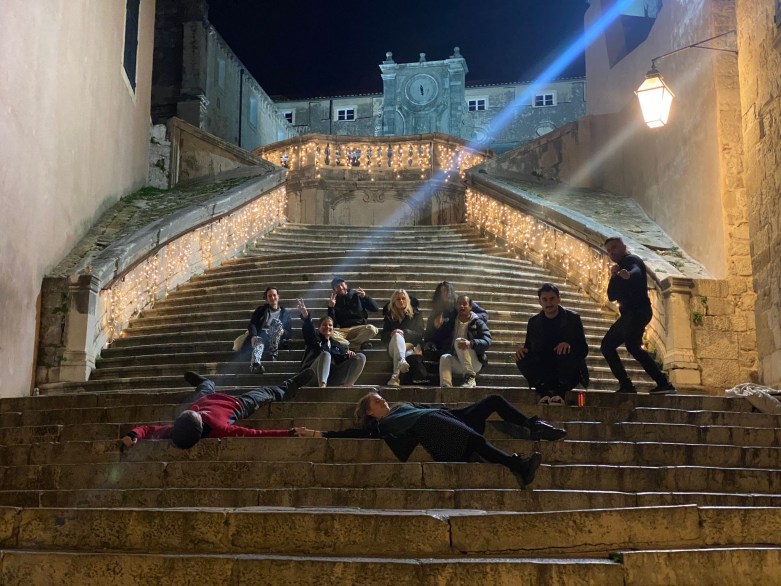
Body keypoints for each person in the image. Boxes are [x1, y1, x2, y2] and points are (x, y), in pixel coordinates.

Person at [298, 391, 566, 487]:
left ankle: (533, 426)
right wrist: (319, 434)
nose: (382, 400)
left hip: (445, 416)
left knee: (493, 400)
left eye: (380, 397)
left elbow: (429, 408)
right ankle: (518, 466)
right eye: (376, 401)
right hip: (433, 426)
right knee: (476, 442)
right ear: (369, 412)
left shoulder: (402, 406)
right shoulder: (382, 425)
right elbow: (354, 434)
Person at [120, 369, 314, 450]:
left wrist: (133, 434)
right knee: (265, 393)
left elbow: (149, 429)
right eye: (194, 414)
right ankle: (290, 385)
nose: (194, 411)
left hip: (206, 398)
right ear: (198, 423)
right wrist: (289, 432)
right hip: (237, 404)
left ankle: (205, 382)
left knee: (205, 388)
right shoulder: (220, 429)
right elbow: (255, 433)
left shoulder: (178, 428)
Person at [600, 236, 676, 394]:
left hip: (636, 313)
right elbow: (611, 296)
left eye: (614, 247)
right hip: (633, 314)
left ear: (624, 247)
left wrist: (628, 274)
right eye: (608, 250)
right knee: (631, 346)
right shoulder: (618, 269)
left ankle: (628, 385)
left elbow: (636, 270)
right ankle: (661, 383)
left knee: (608, 346)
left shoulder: (631, 260)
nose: (611, 252)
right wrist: (614, 277)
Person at [516, 283, 589, 405]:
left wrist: (569, 345)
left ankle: (560, 393)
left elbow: (583, 349)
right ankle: (543, 392)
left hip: (567, 369)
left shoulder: (573, 319)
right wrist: (522, 351)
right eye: (545, 299)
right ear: (540, 301)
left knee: (564, 350)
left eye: (552, 299)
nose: (549, 303)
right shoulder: (534, 322)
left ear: (558, 299)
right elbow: (529, 348)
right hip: (544, 368)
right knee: (521, 357)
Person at [299, 298, 366, 387]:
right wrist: (306, 317)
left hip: (332, 376)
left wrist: (348, 355)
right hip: (312, 375)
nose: (327, 327)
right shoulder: (314, 340)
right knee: (326, 354)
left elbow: (340, 359)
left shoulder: (336, 344)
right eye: (324, 325)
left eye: (330, 325)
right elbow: (309, 332)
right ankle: (322, 386)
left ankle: (348, 386)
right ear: (319, 328)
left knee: (360, 357)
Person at [426, 294, 491, 388]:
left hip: (474, 362)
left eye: (464, 304)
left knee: (459, 341)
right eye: (459, 304)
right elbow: (439, 339)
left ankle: (470, 377)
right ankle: (446, 387)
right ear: (456, 306)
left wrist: (471, 343)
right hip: (458, 362)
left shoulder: (478, 323)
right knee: (445, 357)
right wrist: (437, 327)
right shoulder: (451, 322)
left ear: (470, 307)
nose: (461, 306)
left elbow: (487, 341)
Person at [238, 286, 293, 374]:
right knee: (259, 341)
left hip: (275, 338)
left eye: (274, 295)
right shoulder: (261, 310)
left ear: (278, 297)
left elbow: (289, 333)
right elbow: (252, 324)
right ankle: (255, 364)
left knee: (276, 323)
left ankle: (272, 353)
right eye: (269, 296)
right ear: (267, 299)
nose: (272, 298)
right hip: (261, 336)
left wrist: (282, 332)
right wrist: (254, 335)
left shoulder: (285, 313)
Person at [381, 289, 424, 387]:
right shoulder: (389, 316)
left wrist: (404, 332)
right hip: (393, 348)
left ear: (407, 300)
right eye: (398, 299)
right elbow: (383, 337)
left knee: (399, 336)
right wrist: (392, 334)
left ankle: (395, 377)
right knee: (397, 335)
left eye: (403, 298)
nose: (401, 301)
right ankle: (402, 361)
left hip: (410, 347)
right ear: (394, 302)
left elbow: (420, 334)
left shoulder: (416, 314)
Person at [328, 277, 379, 350]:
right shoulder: (334, 301)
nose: (341, 287)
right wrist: (331, 308)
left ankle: (346, 345)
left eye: (342, 284)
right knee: (329, 333)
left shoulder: (357, 295)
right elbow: (333, 324)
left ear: (346, 285)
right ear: (334, 290)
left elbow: (375, 309)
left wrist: (365, 297)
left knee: (372, 329)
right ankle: (358, 346)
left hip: (359, 329)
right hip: (343, 331)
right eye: (337, 286)